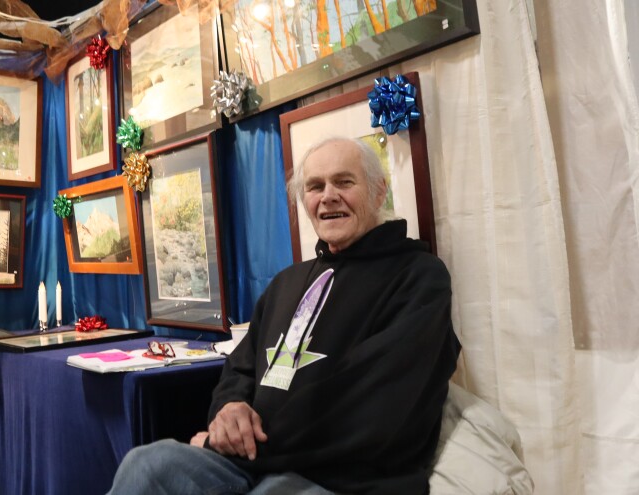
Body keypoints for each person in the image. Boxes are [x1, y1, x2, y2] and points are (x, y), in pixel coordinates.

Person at [108, 137, 461, 494]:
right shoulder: (286, 283)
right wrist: (230, 408)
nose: (328, 196)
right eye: (315, 187)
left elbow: (372, 406)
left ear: (378, 191)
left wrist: (248, 446)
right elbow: (240, 368)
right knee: (147, 464)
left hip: (346, 478)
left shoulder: (418, 278)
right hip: (256, 462)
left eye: (344, 182)